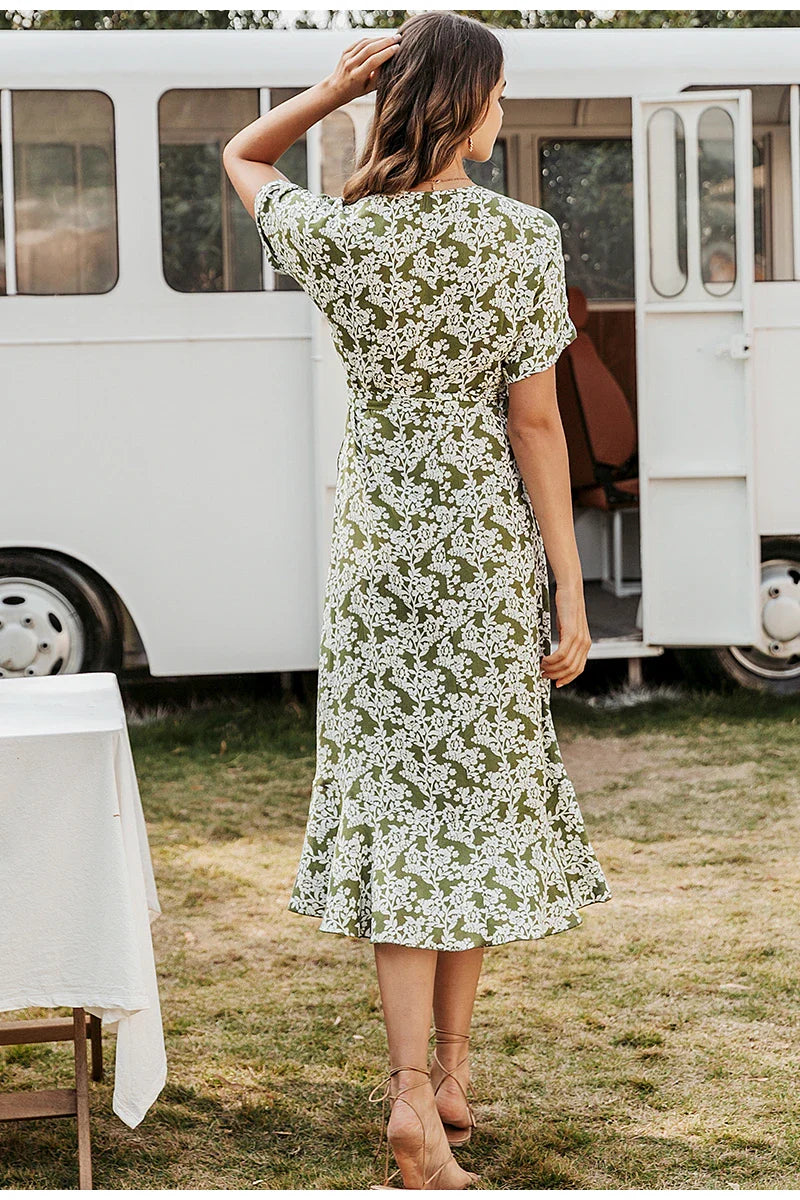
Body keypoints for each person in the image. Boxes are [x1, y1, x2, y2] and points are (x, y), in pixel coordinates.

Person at [224, 11, 612, 1190]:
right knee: (473, 811)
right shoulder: (521, 239)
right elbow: (534, 424)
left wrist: (327, 88)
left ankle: (436, 1086)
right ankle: (417, 1098)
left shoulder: (345, 233)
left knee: (408, 815)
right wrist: (569, 589)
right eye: (496, 94)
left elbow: (243, 157)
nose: (504, 112)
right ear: (462, 105)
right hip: (484, 552)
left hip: (381, 556)